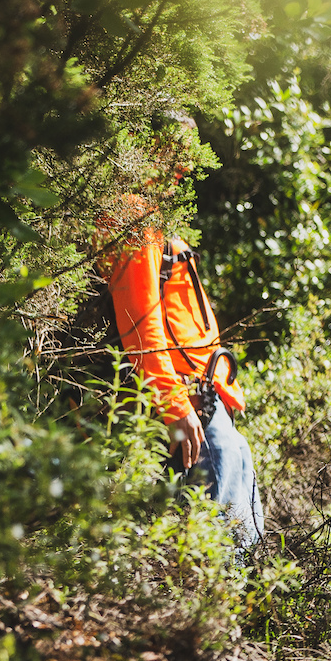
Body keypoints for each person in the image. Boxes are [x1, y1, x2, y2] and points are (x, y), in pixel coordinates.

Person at [97, 116, 265, 550]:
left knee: (245, 535)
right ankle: (214, 613)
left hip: (208, 399)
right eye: (174, 152)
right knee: (220, 545)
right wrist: (175, 406)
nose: (183, 168)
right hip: (190, 404)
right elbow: (142, 323)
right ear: (141, 145)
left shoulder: (156, 220)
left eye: (186, 156)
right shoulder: (131, 216)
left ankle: (239, 611)